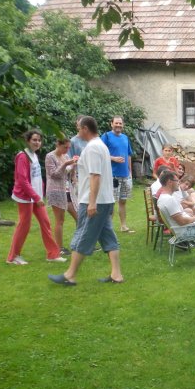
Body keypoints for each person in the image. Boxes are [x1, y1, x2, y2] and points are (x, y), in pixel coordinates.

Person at [48, 116, 124, 286]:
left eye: (78, 128)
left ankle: (70, 275)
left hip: (94, 201)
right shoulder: (100, 146)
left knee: (83, 235)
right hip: (104, 200)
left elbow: (95, 176)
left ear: (85, 128)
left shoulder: (92, 148)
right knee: (108, 236)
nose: (77, 131)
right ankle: (116, 275)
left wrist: (91, 202)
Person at [7, 129, 67, 265]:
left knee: (45, 222)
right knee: (24, 225)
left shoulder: (34, 155)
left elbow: (36, 177)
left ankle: (52, 254)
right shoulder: (23, 156)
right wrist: (35, 196)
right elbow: (22, 180)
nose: (37, 142)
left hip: (36, 197)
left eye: (39, 140)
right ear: (28, 141)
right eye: (34, 140)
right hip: (25, 197)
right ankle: (13, 257)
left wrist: (40, 194)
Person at [45, 137, 79, 256]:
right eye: (65, 147)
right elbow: (54, 174)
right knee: (60, 220)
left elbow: (70, 172)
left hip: (68, 191)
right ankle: (59, 248)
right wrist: (65, 164)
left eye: (68, 147)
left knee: (79, 216)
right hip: (56, 191)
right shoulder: (50, 156)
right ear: (58, 144)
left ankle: (80, 244)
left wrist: (74, 165)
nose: (67, 150)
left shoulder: (66, 156)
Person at [101, 116, 134, 233]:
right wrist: (113, 158)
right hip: (112, 175)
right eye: (116, 123)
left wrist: (130, 171)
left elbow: (129, 155)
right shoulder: (106, 137)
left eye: (120, 123)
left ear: (123, 125)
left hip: (125, 175)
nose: (118, 125)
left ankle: (123, 225)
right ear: (111, 124)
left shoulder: (125, 138)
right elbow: (100, 154)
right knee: (111, 202)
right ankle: (108, 228)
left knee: (123, 201)